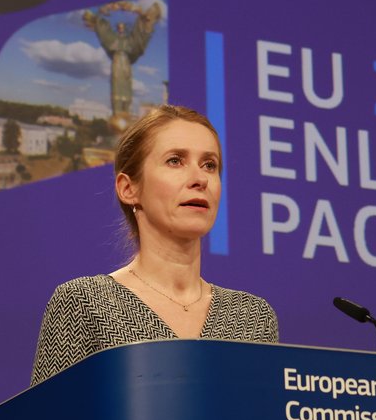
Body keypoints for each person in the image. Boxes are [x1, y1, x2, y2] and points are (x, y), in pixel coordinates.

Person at [30, 104, 279, 386]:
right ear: (129, 189)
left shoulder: (252, 317)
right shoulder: (84, 303)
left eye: (210, 165)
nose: (200, 179)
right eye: (175, 160)